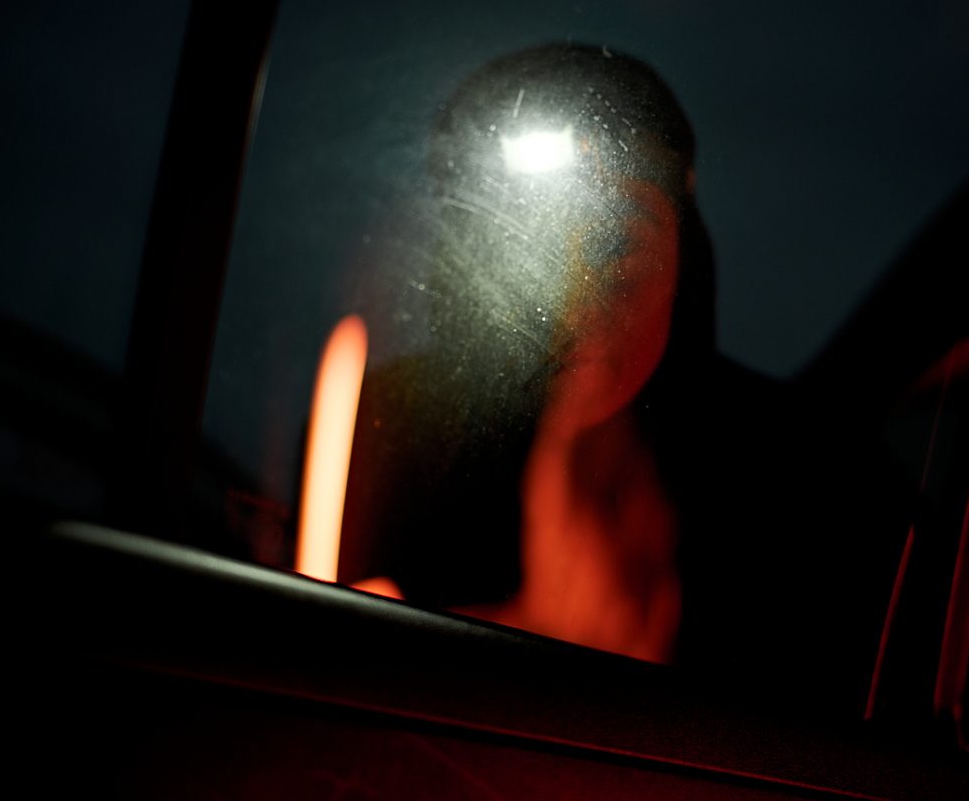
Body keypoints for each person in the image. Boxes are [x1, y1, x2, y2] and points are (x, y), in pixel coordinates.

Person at [340, 44, 912, 709]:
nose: (572, 300)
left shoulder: (824, 488)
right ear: (459, 266)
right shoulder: (376, 442)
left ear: (683, 265)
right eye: (525, 244)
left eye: (615, 243)